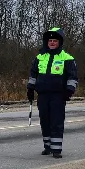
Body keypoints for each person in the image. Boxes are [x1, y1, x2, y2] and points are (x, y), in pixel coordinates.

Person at [27, 27, 78, 158]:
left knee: (56, 121)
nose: (52, 43)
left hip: (58, 95)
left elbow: (73, 77)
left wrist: (69, 91)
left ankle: (56, 149)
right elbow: (33, 74)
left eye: (55, 40)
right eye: (50, 40)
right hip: (43, 95)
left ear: (60, 42)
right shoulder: (40, 57)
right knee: (45, 121)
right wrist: (30, 89)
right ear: (46, 42)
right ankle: (47, 147)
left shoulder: (67, 58)